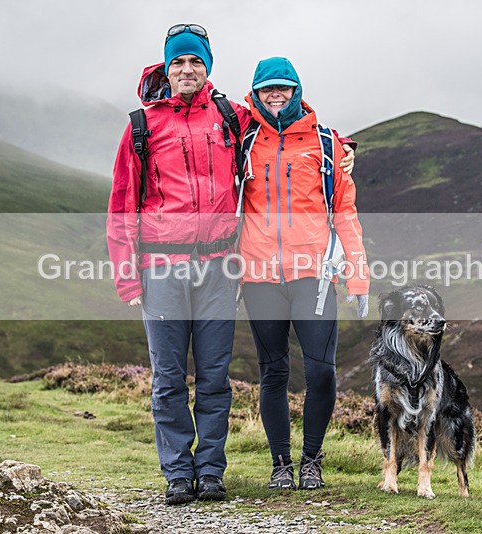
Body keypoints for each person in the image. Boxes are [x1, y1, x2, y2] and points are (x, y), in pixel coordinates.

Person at [106, 26, 355, 505]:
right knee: (168, 377)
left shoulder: (228, 116)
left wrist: (341, 146)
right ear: (166, 67)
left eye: (195, 63)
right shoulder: (142, 126)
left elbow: (281, 122)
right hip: (162, 269)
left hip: (219, 266)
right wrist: (126, 275)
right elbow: (121, 205)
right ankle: (179, 472)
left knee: (216, 377)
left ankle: (212, 471)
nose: (186, 71)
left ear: (207, 68)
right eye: (178, 63)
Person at [238, 57, 370, 491]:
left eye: (283, 88)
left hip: (314, 274)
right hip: (259, 277)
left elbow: (345, 213)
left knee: (321, 372)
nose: (275, 96)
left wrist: (358, 276)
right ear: (255, 94)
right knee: (273, 373)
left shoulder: (327, 144)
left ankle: (311, 459)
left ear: (297, 91)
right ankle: (280, 464)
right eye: (266, 90)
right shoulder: (243, 138)